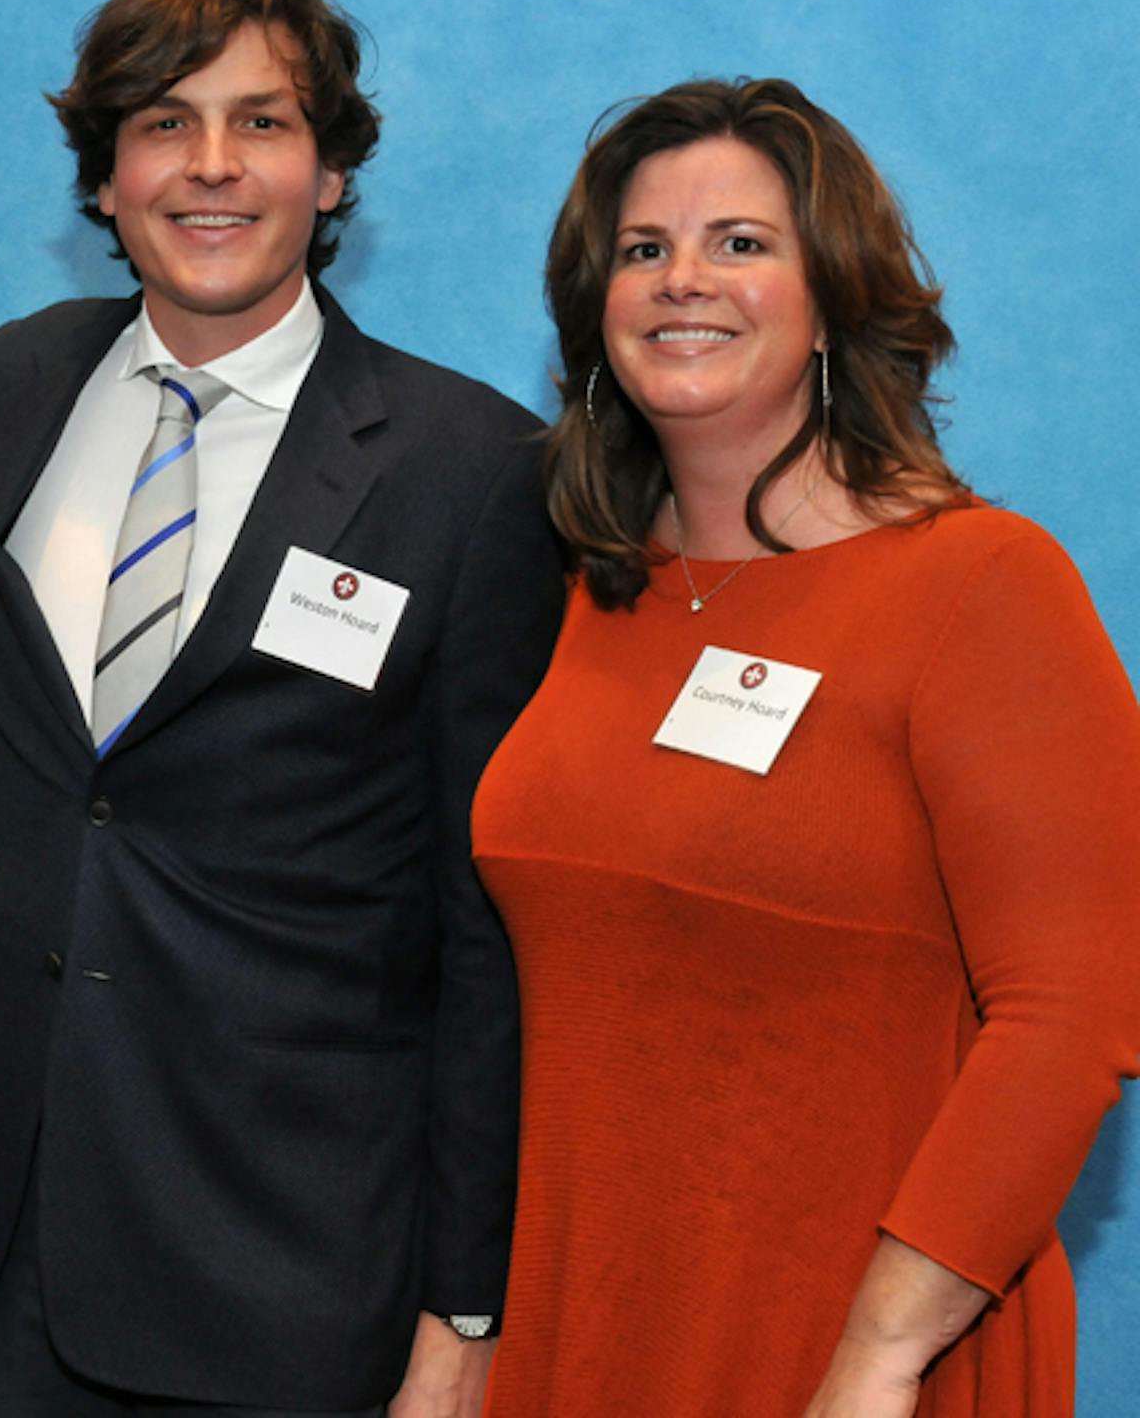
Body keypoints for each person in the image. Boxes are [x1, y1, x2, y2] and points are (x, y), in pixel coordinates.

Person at [0, 0, 561, 1416]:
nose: (213, 168)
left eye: (262, 122)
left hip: (287, 1272)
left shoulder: (470, 474)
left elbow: (485, 928)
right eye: (163, 124)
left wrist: (467, 1304)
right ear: (103, 180)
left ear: (331, 174)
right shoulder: (12, 388)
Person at [472, 77, 1140, 1416]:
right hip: (582, 1332)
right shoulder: (585, 595)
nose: (683, 281)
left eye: (742, 243)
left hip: (856, 1356)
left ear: (834, 293)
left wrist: (878, 1360)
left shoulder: (984, 585)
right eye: (644, 251)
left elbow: (1072, 1021)